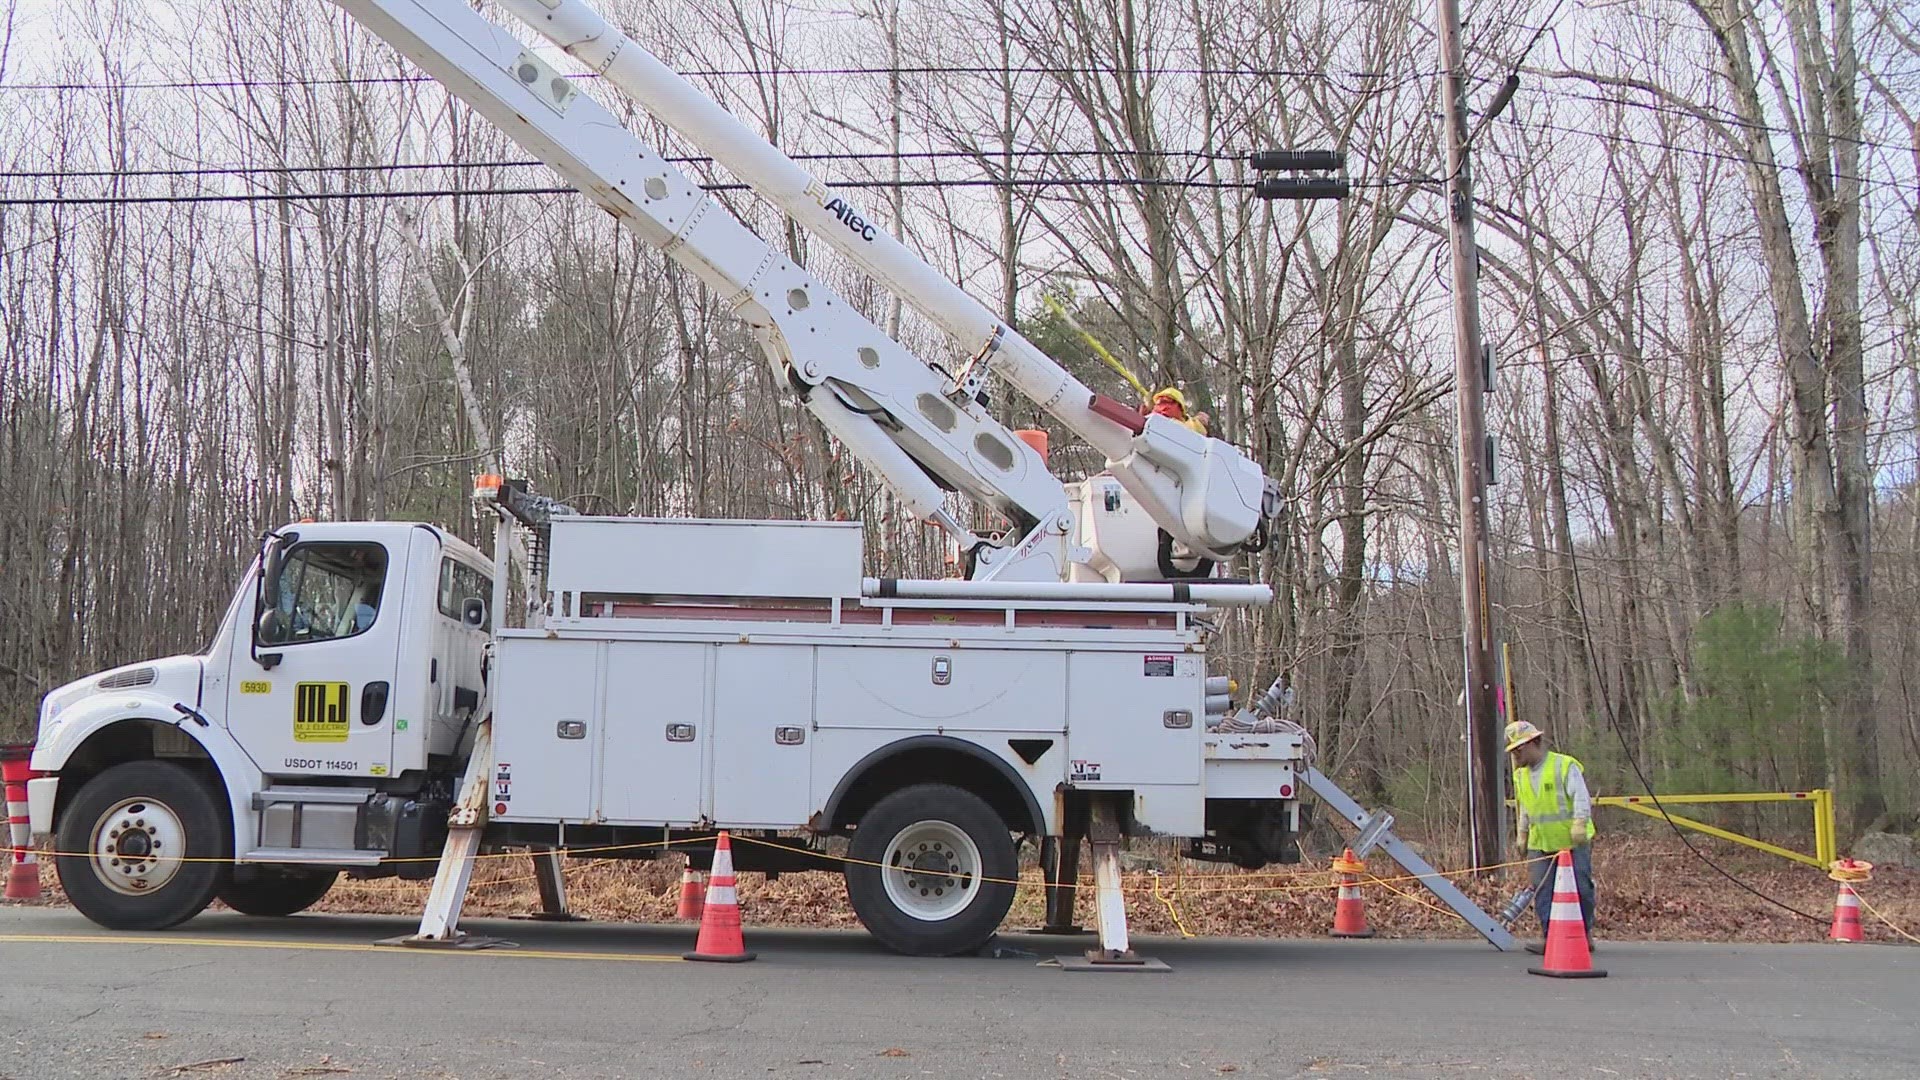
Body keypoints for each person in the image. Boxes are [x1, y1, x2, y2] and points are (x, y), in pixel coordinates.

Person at [1507, 719, 1596, 952]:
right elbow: (1525, 806)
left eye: (1519, 748)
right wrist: (1523, 833)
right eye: (1513, 750)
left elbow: (1580, 797)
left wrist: (1579, 823)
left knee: (1580, 888)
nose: (1515, 754)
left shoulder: (1563, 765)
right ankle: (1551, 938)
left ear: (1533, 743)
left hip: (1571, 841)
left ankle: (1583, 936)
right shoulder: (1521, 776)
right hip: (1540, 842)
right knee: (1543, 892)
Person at [1146, 387, 1210, 436]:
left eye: (1168, 402)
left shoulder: (1186, 425)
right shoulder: (1189, 425)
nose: (1164, 407)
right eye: (1161, 402)